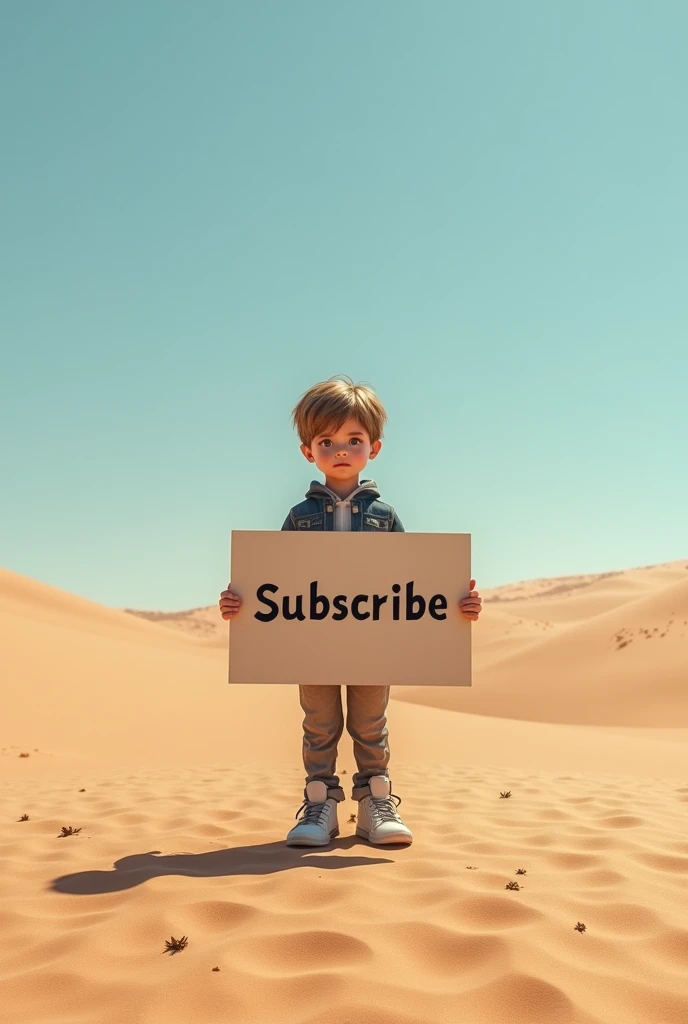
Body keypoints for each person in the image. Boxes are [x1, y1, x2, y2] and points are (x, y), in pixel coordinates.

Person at [218, 375, 482, 848]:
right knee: (318, 725)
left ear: (374, 448)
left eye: (353, 440)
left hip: (374, 645)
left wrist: (456, 605)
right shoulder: (299, 517)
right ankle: (320, 805)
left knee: (370, 724)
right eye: (327, 441)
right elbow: (273, 582)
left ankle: (375, 803)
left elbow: (414, 587)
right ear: (308, 451)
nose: (341, 450)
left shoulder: (386, 516)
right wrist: (240, 601)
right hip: (310, 643)